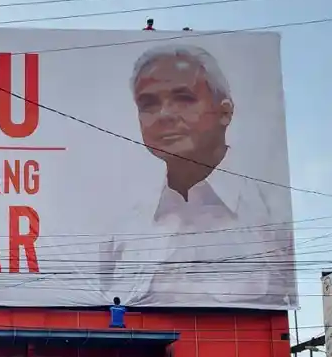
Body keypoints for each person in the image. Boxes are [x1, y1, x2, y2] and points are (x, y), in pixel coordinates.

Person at [101, 43, 294, 309]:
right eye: (148, 104)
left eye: (184, 99)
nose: (164, 115)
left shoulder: (272, 217)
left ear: (224, 112)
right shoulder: (124, 231)